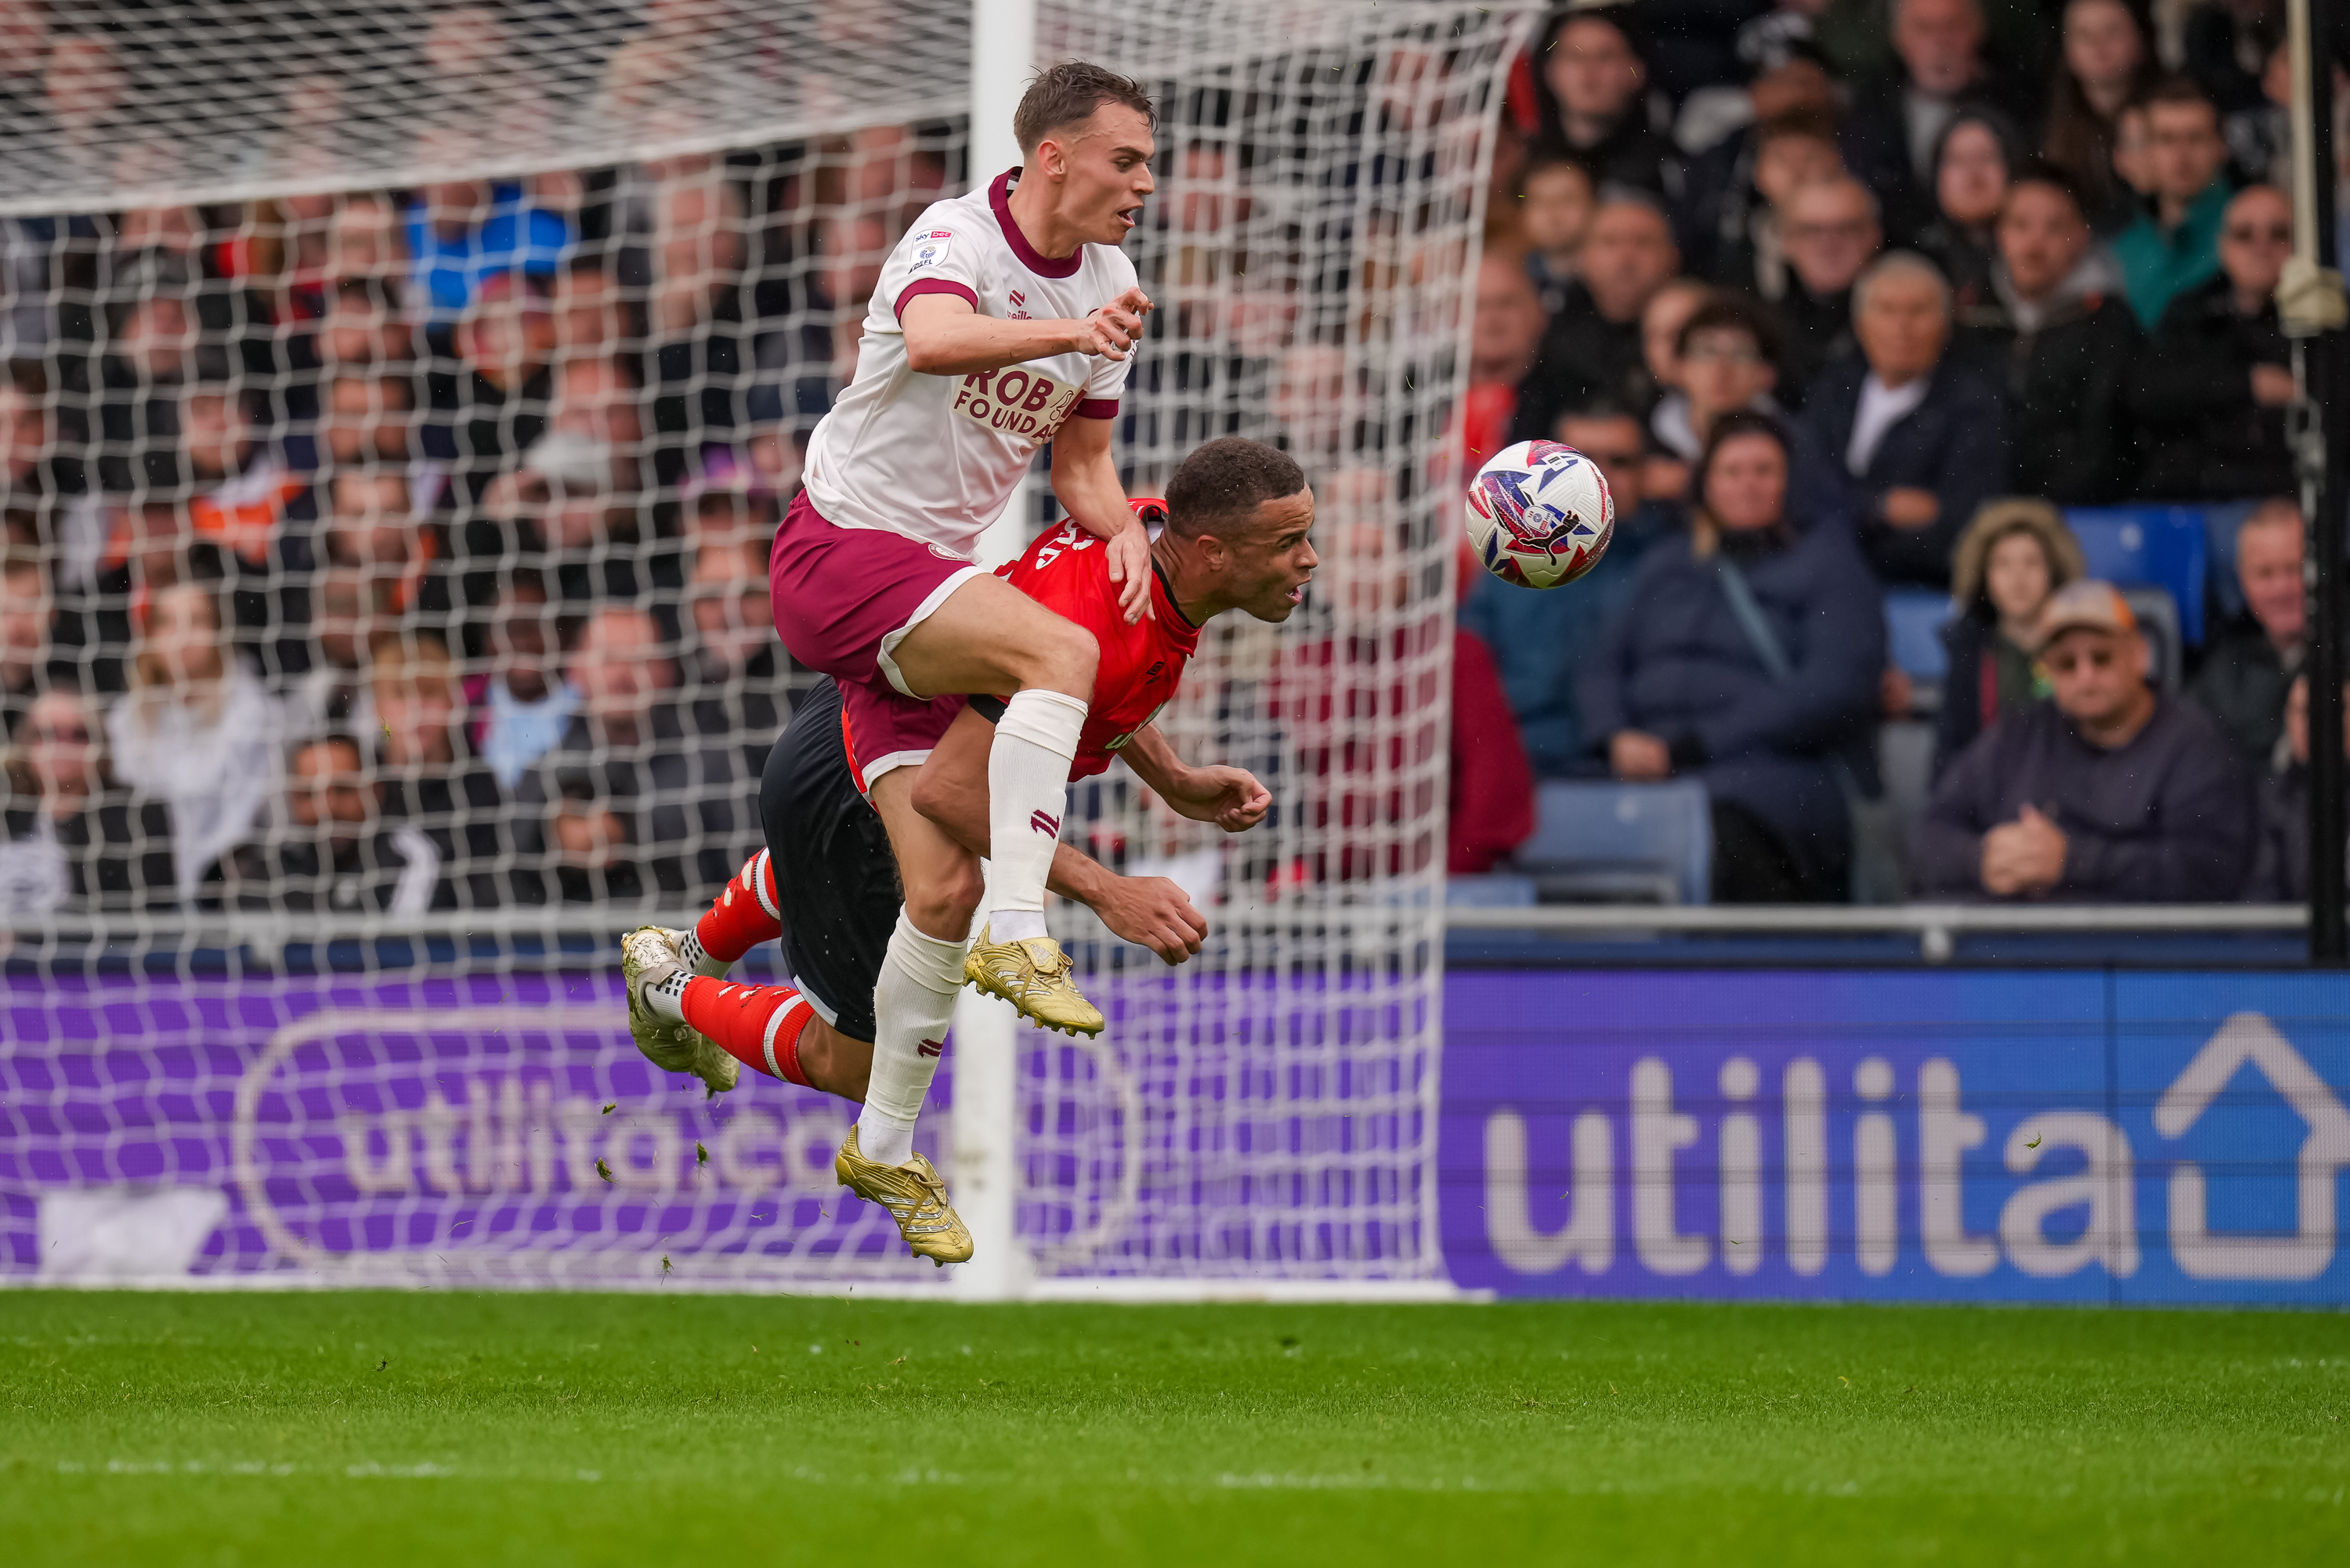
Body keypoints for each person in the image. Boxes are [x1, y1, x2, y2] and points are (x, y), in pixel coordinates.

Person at [619, 440, 1312, 1263]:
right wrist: (1104, 889)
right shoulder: (1107, 611)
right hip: (864, 782)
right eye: (1286, 543)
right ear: (1210, 552)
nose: (1308, 559)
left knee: (852, 886)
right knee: (849, 1063)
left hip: (848, 731)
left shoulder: (1141, 543)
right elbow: (948, 794)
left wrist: (1174, 779)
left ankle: (687, 948)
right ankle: (666, 987)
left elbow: (1095, 695)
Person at [764, 63, 1164, 1230]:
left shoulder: (1116, 284)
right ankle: (1027, 931)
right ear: (1053, 157)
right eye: (1125, 159)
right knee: (1059, 653)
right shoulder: (954, 233)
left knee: (938, 887)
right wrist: (1069, 327)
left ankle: (883, 1146)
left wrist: (1125, 534)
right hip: (841, 551)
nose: (1145, 181)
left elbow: (1082, 468)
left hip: (925, 593)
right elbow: (936, 340)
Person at [1579, 410, 1885, 901]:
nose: (1747, 485)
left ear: (1791, 481)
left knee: (1726, 831)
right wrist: (1613, 735)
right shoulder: (1667, 562)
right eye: (1732, 471)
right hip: (1647, 765)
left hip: (1772, 769)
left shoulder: (1830, 564)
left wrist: (1696, 744)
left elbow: (1832, 689)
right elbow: (1602, 663)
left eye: (1764, 471)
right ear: (1708, 483)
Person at [1914, 580, 2253, 901]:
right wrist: (1982, 859)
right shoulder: (2017, 735)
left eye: (2101, 658)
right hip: (2023, 946)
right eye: (2067, 663)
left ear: (2139, 656)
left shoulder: (2193, 745)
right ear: (2048, 670)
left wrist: (2072, 861)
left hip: (2144, 950)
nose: (2085, 676)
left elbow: (2211, 871)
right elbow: (1929, 834)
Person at [1460, 405, 1674, 777]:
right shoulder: (1506, 564)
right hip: (1517, 764)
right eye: (1584, 462)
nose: (1602, 476)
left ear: (1645, 474)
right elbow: (1468, 662)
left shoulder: (1675, 564)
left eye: (1619, 461)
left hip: (1633, 770)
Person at [1802, 251, 2007, 586]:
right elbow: (1807, 494)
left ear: (1945, 325)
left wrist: (1849, 522)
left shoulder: (1972, 406)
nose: (1902, 327)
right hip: (1826, 578)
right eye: (1887, 310)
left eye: (1918, 311)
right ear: (1861, 324)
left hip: (1917, 582)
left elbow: (1960, 523)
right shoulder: (1831, 392)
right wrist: (1879, 508)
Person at [1954, 164, 2140, 504]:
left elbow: (2106, 439)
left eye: (2054, 227)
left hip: (2079, 510)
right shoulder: (1971, 316)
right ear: (2000, 234)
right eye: (2020, 224)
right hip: (1981, 509)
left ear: (2081, 238)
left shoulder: (2107, 321)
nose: (2034, 242)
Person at [103, 582, 279, 905]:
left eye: (196, 621)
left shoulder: (254, 715)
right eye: (167, 622)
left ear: (219, 632)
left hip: (229, 891)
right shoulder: (124, 720)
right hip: (146, 893)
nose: (181, 638)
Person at [2128, 182, 2296, 500]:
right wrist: (2248, 384)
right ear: (2223, 247)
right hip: (2200, 497)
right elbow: (2146, 392)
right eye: (2245, 234)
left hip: (2295, 497)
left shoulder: (2323, 322)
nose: (2262, 247)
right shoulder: (2188, 313)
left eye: (2279, 233)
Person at [1840, 0, 2040, 247]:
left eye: (1952, 26)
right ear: (1899, 38)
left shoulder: (2021, 100)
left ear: (1978, 31)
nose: (1940, 41)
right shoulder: (1871, 108)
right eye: (1924, 28)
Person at [1510, 193, 1683, 441]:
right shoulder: (1549, 332)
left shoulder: (1697, 327)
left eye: (1643, 243)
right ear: (1583, 258)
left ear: (1672, 257)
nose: (1626, 259)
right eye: (1610, 243)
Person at [1934, 498, 2087, 775]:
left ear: (2054, 573)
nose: (2018, 577)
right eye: (2003, 564)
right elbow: (1949, 760)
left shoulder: (2082, 650)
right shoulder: (1968, 655)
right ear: (1984, 579)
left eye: (2032, 563)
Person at [0, 687, 175, 916]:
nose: (62, 747)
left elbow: (143, 916)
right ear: (24, 744)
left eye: (79, 735)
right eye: (47, 734)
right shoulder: (7, 813)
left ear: (101, 747)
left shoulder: (139, 817)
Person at [228, 733, 449, 916]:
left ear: (375, 791)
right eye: (310, 794)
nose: (327, 808)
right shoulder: (271, 871)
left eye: (343, 789)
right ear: (293, 800)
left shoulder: (411, 858)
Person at [2189, 497, 2305, 767]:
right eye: (2265, 574)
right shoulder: (2221, 672)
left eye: (2295, 569)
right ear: (2242, 579)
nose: (2281, 589)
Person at [2112, 78, 2233, 330]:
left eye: (2195, 138)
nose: (2181, 156)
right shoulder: (2125, 248)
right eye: (2166, 139)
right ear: (2148, 150)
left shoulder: (2248, 231)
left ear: (2221, 146)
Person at [1526, 7, 1679, 200]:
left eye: (1605, 57)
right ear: (1549, 73)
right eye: (1574, 57)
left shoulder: (1668, 169)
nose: (1588, 72)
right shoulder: (1521, 165)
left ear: (1637, 72)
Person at [2040, 0, 2159, 234]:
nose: (2099, 46)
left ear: (2139, 40)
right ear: (2067, 50)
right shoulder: (2046, 131)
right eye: (2084, 35)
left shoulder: (2172, 117)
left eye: (2112, 32)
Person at [1772, 175, 1883, 401]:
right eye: (1811, 231)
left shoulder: (1907, 324)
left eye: (1846, 229)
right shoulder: (1763, 329)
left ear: (1874, 236)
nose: (1829, 245)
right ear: (1786, 240)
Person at [2247, 673, 2348, 902]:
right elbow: (2259, 898)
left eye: (2333, 710)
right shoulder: (2267, 799)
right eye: (2303, 712)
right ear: (2287, 718)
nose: (2314, 725)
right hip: (2291, 936)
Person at [1914, 107, 2019, 307]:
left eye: (1987, 158)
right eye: (1957, 160)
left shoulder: (2034, 252)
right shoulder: (1917, 259)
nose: (1973, 176)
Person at [1519, 155, 1596, 314]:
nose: (1553, 215)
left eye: (1567, 200)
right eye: (1539, 202)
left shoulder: (1610, 280)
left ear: (1593, 206)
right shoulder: (1515, 280)